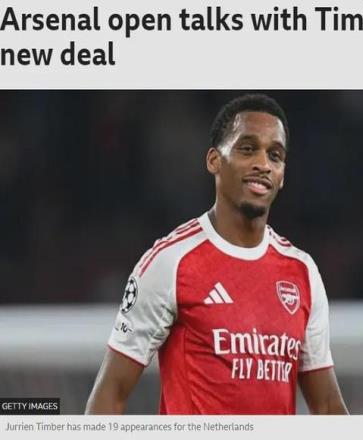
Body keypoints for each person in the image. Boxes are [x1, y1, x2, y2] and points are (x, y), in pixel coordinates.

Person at [85, 94, 348, 415]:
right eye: (247, 149)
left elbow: (327, 406)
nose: (263, 164)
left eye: (275, 155)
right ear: (214, 161)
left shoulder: (302, 272)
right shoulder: (170, 262)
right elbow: (110, 394)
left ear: (282, 174)